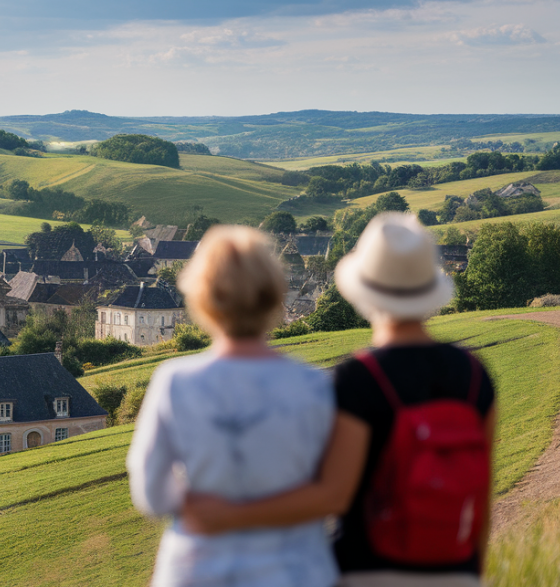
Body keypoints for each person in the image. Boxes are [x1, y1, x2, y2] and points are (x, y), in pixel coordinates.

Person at [181, 212, 497, 587]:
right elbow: (481, 494)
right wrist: (471, 572)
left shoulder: (359, 378)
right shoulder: (475, 374)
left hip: (367, 569)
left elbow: (333, 495)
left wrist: (230, 515)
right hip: (455, 571)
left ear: (364, 291)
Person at [127, 225, 338, 587]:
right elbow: (333, 491)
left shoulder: (176, 381)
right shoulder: (316, 385)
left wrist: (204, 506)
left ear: (201, 297)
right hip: (294, 568)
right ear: (273, 296)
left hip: (200, 567)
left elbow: (149, 491)